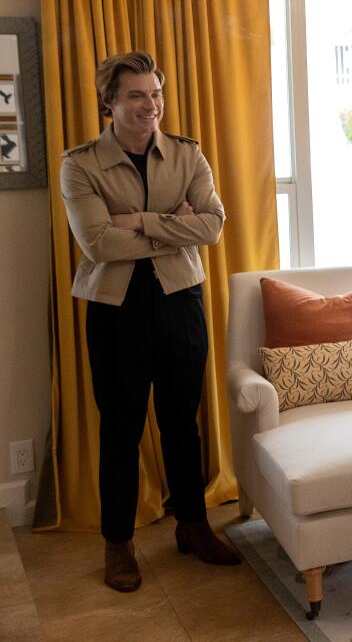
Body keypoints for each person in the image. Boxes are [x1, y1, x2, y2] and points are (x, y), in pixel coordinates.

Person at [59, 51, 240, 593]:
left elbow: (211, 227)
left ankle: (193, 525)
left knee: (183, 421)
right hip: (115, 311)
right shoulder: (80, 163)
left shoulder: (187, 155)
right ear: (109, 102)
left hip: (180, 300)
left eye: (155, 94)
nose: (150, 105)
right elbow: (96, 241)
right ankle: (118, 544)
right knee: (121, 428)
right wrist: (171, 223)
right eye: (136, 95)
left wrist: (137, 222)